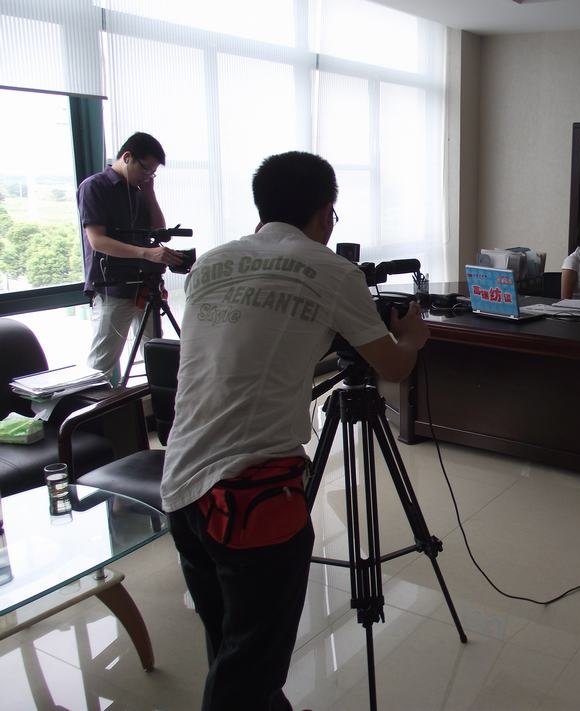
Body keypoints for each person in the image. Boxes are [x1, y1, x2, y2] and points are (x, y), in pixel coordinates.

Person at [160, 151, 430, 711]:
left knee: (232, 645)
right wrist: (412, 337)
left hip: (181, 483)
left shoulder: (211, 263)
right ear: (326, 212)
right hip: (251, 496)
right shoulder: (332, 270)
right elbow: (393, 368)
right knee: (248, 668)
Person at [76, 132, 183, 382]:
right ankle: (91, 407)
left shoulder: (138, 191)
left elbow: (159, 231)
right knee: (102, 363)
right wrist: (146, 253)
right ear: (127, 157)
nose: (148, 176)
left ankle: (156, 403)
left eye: (153, 173)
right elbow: (97, 241)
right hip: (113, 286)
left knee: (156, 355)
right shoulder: (95, 187)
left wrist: (150, 193)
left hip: (145, 286)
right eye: (146, 169)